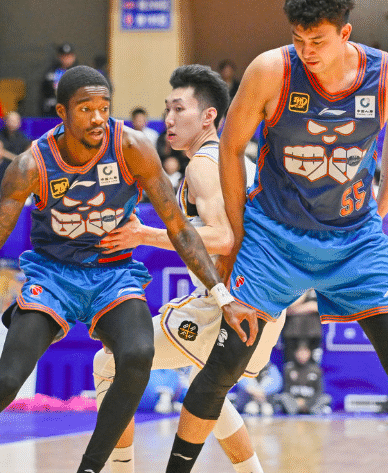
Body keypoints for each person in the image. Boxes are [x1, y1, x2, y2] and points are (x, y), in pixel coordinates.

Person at [0, 65, 256, 473]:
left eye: (104, 107)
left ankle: (90, 469)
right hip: (53, 276)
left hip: (112, 275)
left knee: (138, 354)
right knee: (5, 382)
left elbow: (181, 228)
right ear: (62, 112)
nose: (98, 118)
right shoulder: (31, 165)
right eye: (85, 109)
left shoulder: (132, 147)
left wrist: (221, 294)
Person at [165, 0, 388, 473]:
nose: (307, 50)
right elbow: (230, 147)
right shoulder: (272, 70)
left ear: (345, 33)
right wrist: (239, 233)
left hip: (354, 238)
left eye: (318, 40)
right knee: (225, 363)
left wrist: (383, 203)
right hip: (275, 238)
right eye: (299, 39)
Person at [92, 65, 284, 473]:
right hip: (266, 305)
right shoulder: (236, 161)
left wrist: (143, 234)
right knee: (207, 387)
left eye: (179, 109)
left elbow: (222, 238)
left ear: (209, 116)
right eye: (167, 108)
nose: (169, 118)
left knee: (108, 363)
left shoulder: (204, 165)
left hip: (231, 302)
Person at [277, 342, 332, 416]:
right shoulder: (288, 368)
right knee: (283, 397)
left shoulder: (316, 369)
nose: (302, 355)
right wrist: (298, 402)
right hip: (295, 402)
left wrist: (306, 403)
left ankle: (313, 411)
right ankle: (294, 411)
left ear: (309, 353)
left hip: (311, 401)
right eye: (300, 353)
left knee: (326, 398)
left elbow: (319, 391)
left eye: (304, 353)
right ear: (296, 353)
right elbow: (286, 389)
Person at [40, 42, 78, 116]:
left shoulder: (79, 71)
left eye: (69, 56)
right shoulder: (51, 72)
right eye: (63, 56)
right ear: (59, 57)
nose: (66, 59)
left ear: (73, 57)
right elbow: (44, 91)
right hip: (52, 111)